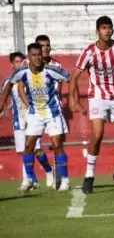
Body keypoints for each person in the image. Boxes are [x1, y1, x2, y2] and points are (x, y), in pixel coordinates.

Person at [69, 16, 114, 194]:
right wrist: (73, 98)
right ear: (97, 31)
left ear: (113, 30)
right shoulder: (89, 52)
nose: (107, 31)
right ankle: (89, 175)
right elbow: (75, 76)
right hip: (98, 97)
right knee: (97, 135)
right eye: (103, 28)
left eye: (109, 28)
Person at [0, 43, 71, 192]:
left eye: (39, 54)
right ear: (29, 57)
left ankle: (65, 180)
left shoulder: (51, 71)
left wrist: (73, 98)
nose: (38, 57)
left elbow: (70, 78)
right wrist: (2, 102)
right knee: (29, 146)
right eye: (34, 55)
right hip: (35, 113)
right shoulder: (22, 72)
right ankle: (30, 179)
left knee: (57, 145)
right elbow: (9, 84)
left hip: (52, 112)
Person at [3, 52, 54, 189]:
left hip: (33, 118)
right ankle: (31, 180)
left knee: (36, 149)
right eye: (17, 62)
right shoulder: (8, 82)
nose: (20, 64)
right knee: (23, 152)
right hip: (18, 120)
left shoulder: (31, 78)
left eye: (21, 61)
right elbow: (8, 99)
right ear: (12, 64)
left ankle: (49, 171)